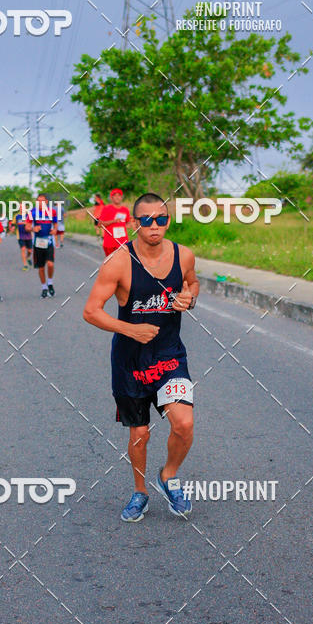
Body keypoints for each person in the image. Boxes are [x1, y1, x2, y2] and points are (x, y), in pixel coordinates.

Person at [83, 193, 200, 523]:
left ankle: (169, 475)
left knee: (184, 424)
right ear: (135, 224)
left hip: (169, 356)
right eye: (146, 220)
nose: (154, 226)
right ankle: (140, 492)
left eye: (160, 219)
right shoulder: (118, 262)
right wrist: (130, 330)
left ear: (168, 221)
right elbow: (91, 312)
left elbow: (193, 284)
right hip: (130, 361)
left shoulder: (184, 255)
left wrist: (190, 297)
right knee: (140, 434)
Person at [26, 194, 57, 298]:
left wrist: (55, 230)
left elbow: (55, 224)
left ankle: (50, 283)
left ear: (46, 202)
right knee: (41, 267)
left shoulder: (52, 212)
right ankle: (44, 287)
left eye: (42, 201)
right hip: (38, 242)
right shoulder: (32, 212)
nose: (40, 203)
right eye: (38, 201)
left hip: (49, 241)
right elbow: (27, 226)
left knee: (50, 264)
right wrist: (32, 229)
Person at [98, 188, 131, 258]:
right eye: (115, 195)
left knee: (122, 265)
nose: (117, 197)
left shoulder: (125, 210)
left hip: (123, 242)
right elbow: (100, 224)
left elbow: (127, 223)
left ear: (121, 197)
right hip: (109, 243)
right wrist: (114, 221)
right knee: (111, 266)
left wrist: (132, 224)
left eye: (119, 195)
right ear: (111, 198)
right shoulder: (106, 209)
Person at [13, 203, 33, 270]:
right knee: (23, 249)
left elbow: (33, 223)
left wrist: (27, 224)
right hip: (20, 236)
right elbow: (13, 224)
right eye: (20, 207)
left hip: (29, 235)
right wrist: (12, 228)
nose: (22, 208)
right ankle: (25, 265)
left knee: (30, 251)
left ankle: (28, 257)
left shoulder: (29, 215)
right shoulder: (17, 216)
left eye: (23, 207)